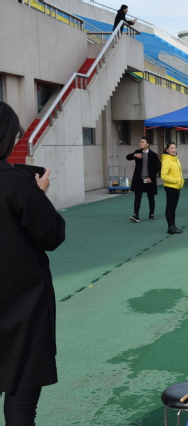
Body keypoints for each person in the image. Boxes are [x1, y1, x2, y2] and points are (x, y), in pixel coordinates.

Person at [0, 101, 66, 425]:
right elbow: (52, 234)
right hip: (22, 302)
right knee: (21, 401)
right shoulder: (15, 182)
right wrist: (39, 193)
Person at [126, 136, 159, 223]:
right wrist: (134, 155)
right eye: (140, 142)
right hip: (139, 180)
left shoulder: (153, 155)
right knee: (137, 197)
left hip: (149, 180)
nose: (140, 143)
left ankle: (151, 215)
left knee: (151, 198)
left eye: (143, 142)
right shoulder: (137, 152)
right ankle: (136, 215)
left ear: (148, 144)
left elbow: (157, 168)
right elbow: (127, 157)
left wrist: (151, 177)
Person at [161, 142, 185, 234]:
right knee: (170, 207)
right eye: (171, 148)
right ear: (167, 150)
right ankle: (170, 227)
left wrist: (180, 181)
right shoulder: (166, 160)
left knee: (173, 208)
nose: (174, 150)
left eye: (175, 148)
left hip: (177, 186)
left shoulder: (175, 159)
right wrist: (176, 180)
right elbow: (163, 176)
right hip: (170, 186)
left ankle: (173, 226)